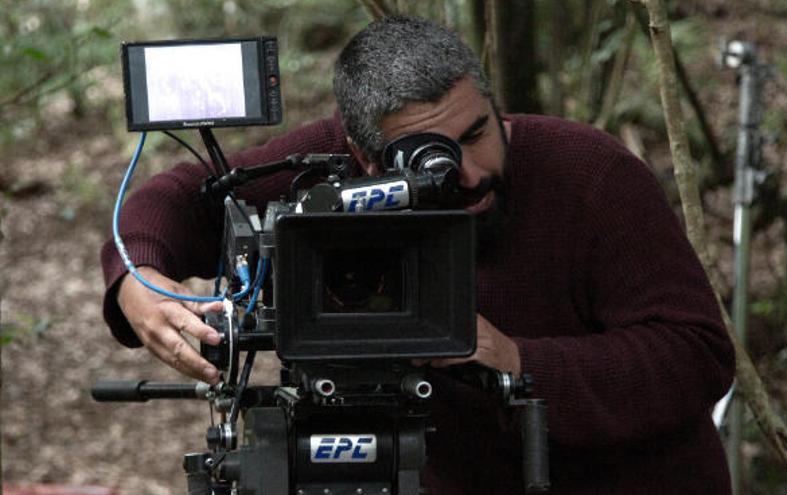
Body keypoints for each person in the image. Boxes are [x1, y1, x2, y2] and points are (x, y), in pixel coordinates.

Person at [102, 15, 735, 494]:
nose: (466, 171)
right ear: (363, 155)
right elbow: (180, 196)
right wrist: (139, 282)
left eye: (477, 133)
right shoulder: (328, 170)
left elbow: (698, 355)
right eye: (427, 155)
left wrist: (513, 358)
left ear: (490, 101)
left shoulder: (592, 175)